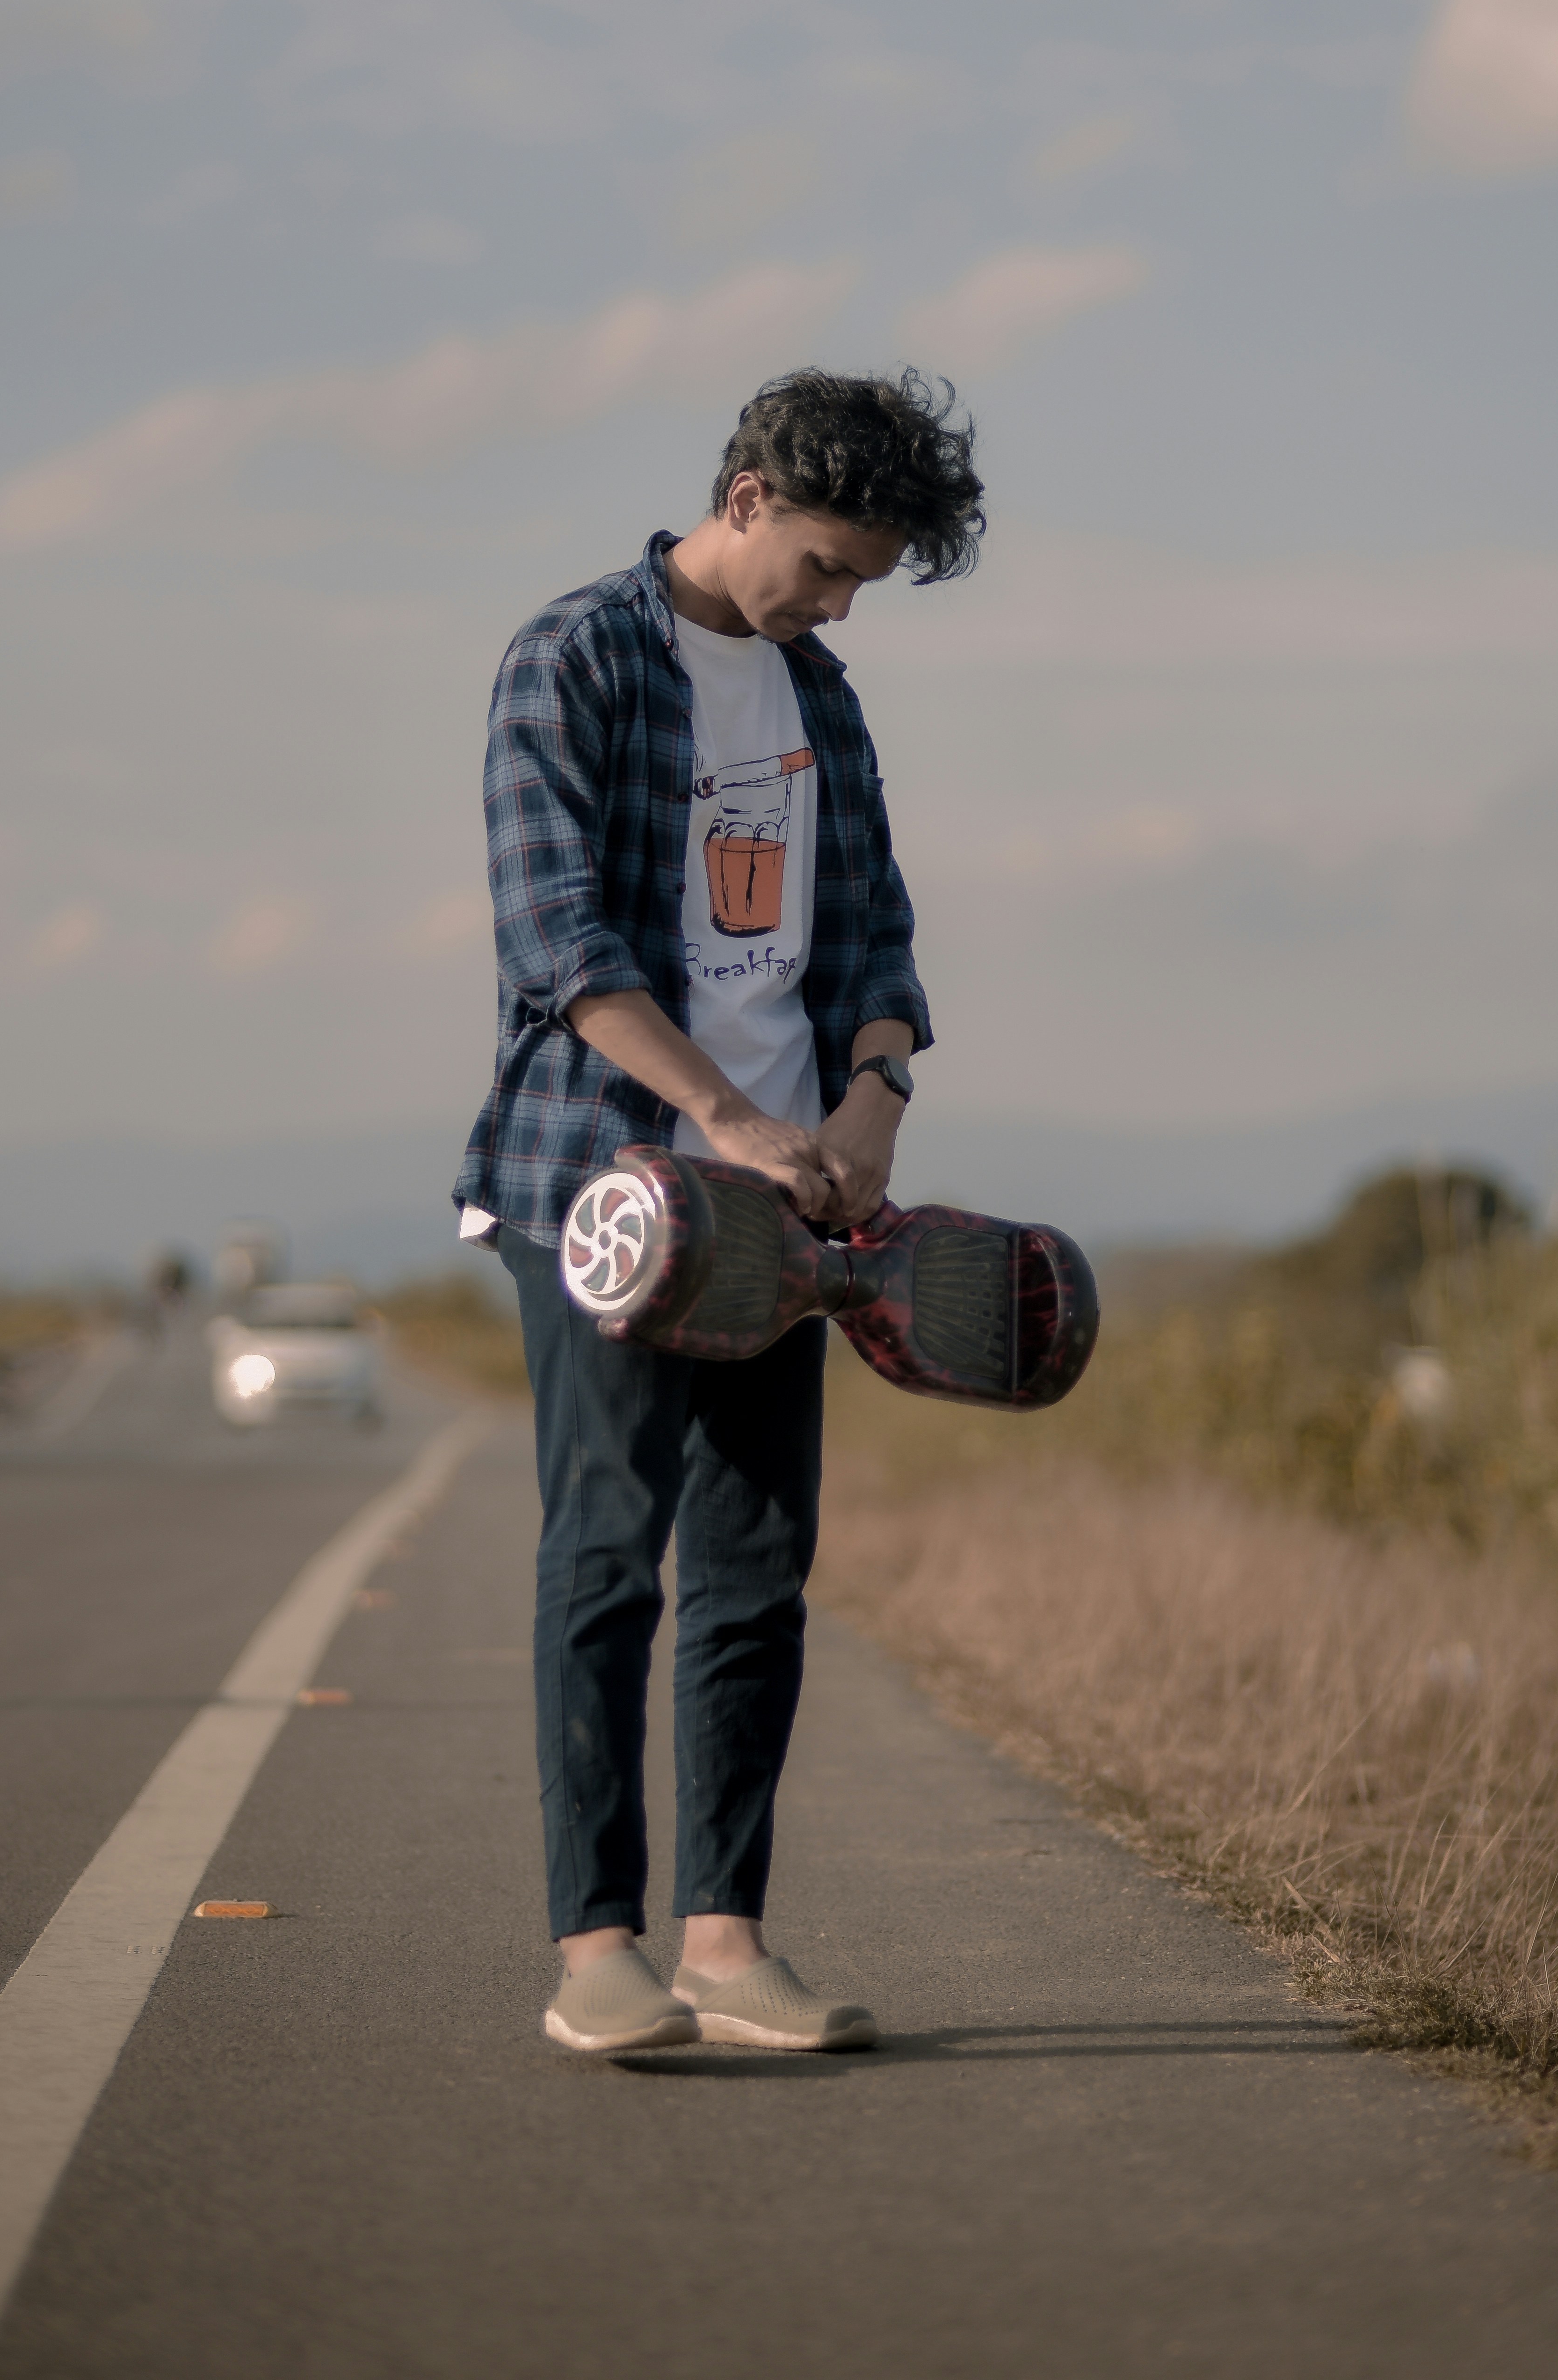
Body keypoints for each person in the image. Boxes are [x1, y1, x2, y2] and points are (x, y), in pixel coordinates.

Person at [453, 366, 984, 2056]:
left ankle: (726, 1943)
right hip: (605, 1181)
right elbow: (559, 950)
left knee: (757, 1565)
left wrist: (871, 1105)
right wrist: (732, 1121)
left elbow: (875, 932)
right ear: (746, 497)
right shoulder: (575, 656)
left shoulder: (819, 696)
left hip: (790, 1197)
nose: (837, 607)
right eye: (826, 566)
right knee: (608, 1553)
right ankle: (593, 1946)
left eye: (862, 585)